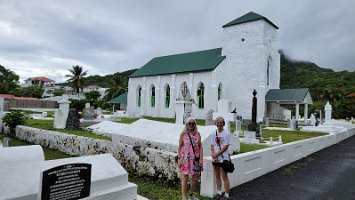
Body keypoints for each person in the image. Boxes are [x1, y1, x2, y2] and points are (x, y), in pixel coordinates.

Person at [177, 117, 203, 200]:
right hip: (185, 159)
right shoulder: (183, 134)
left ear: (195, 124)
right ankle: (184, 197)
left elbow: (200, 147)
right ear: (187, 125)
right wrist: (179, 159)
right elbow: (180, 147)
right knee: (185, 177)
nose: (191, 125)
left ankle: (191, 195)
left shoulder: (197, 134)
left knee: (195, 178)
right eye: (189, 123)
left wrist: (201, 159)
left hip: (195, 159)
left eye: (193, 123)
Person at [210, 116, 231, 200]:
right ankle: (219, 192)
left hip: (223, 158)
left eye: (221, 123)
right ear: (216, 124)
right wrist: (213, 154)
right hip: (216, 158)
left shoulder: (226, 134)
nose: (219, 124)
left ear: (223, 124)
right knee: (217, 176)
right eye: (218, 123)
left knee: (224, 176)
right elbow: (212, 145)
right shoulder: (213, 133)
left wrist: (216, 155)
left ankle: (226, 194)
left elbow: (225, 147)